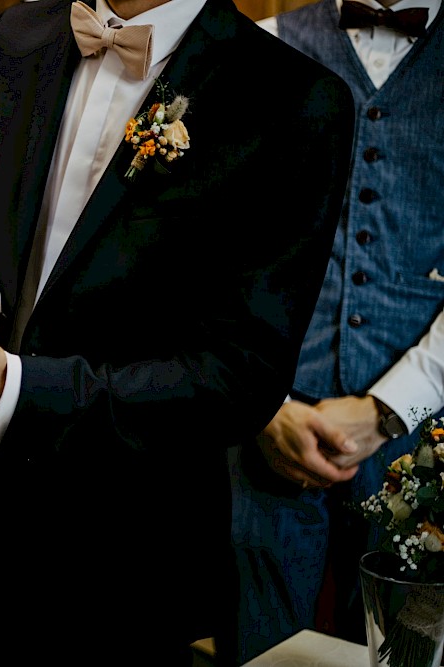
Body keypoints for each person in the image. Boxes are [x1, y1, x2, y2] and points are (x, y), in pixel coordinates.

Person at [0, 0, 356, 664]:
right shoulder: (17, 36)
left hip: (121, 557)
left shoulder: (291, 98)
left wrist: (17, 388)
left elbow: (237, 376)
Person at [227, 0, 444, 660]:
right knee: (259, 643)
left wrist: (387, 408)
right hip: (268, 425)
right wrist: (262, 403)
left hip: (424, 434)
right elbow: (209, 247)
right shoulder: (261, 46)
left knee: (406, 646)